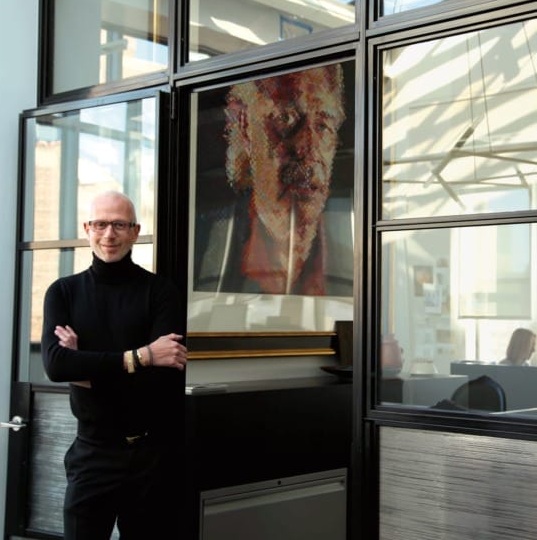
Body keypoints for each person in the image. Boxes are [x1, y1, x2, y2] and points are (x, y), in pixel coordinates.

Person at [41, 191, 188, 540]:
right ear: (87, 229)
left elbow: (162, 381)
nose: (109, 234)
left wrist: (84, 370)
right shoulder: (63, 292)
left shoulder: (161, 292)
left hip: (151, 456)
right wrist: (141, 357)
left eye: (119, 225)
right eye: (101, 224)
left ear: (135, 231)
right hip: (92, 455)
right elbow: (57, 367)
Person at [194, 64, 352, 296]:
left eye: (323, 126)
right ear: (246, 127)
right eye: (285, 119)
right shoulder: (206, 244)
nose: (308, 149)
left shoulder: (353, 265)